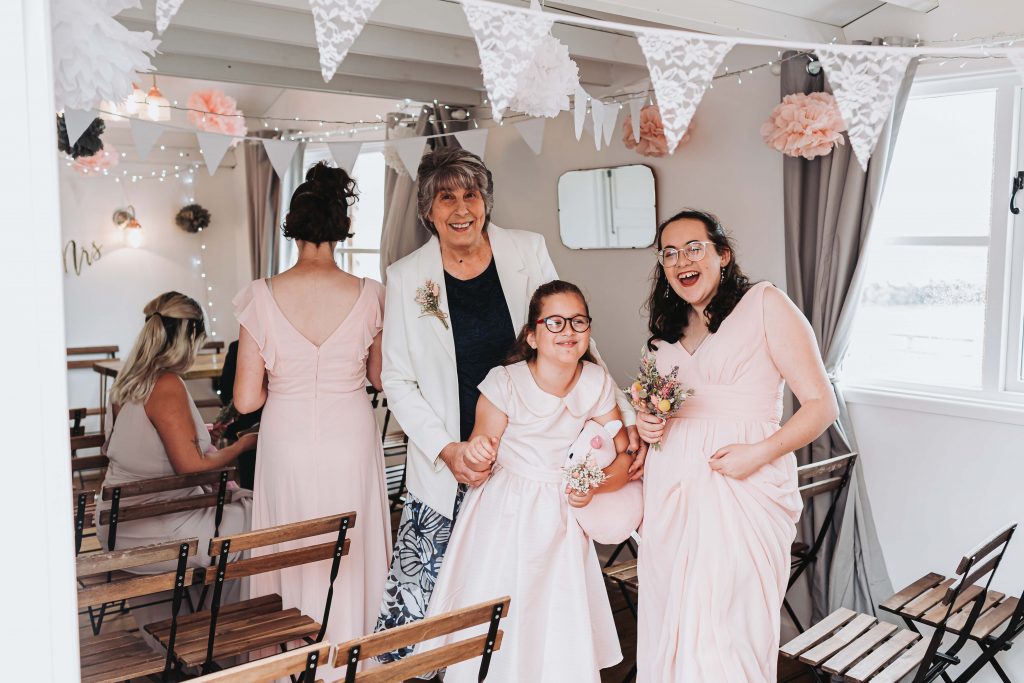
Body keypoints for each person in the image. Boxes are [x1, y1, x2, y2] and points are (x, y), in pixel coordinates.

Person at [375, 147, 640, 663]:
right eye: (446, 197)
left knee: (525, 592)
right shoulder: (408, 276)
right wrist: (448, 450)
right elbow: (397, 379)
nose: (460, 209)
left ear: (486, 201)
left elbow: (568, 330)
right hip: (452, 453)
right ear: (428, 210)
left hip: (530, 455)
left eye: (470, 194)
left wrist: (625, 421)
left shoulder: (526, 249)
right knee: (428, 606)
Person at [634, 209, 838, 682]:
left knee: (731, 630)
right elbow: (659, 410)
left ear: (722, 254)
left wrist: (759, 453)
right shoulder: (665, 332)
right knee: (673, 618)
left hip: (742, 485)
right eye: (669, 253)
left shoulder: (765, 304)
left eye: (694, 248)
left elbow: (820, 406)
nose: (681, 259)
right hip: (672, 492)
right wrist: (648, 423)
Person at [418, 280, 629, 682]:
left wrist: (595, 484)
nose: (567, 330)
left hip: (562, 515)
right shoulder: (505, 382)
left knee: (555, 615)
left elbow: (624, 456)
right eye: (554, 322)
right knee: (504, 606)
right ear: (532, 335)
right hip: (506, 512)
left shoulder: (596, 383)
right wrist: (477, 452)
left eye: (578, 321)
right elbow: (479, 453)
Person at [233, 162, 391, 678]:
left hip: (287, 438)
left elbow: (246, 401)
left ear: (293, 227)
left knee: (288, 542)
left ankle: (287, 660)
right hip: (349, 432)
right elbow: (379, 377)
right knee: (352, 540)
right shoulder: (370, 293)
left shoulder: (260, 295)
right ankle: (349, 657)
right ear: (342, 227)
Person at [98, 291, 253, 630]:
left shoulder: (128, 380)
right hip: (155, 524)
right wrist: (242, 445)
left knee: (238, 514)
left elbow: (136, 447)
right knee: (259, 516)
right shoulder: (167, 383)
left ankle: (188, 627)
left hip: (118, 522)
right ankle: (222, 631)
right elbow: (191, 469)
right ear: (189, 337)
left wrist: (203, 438)